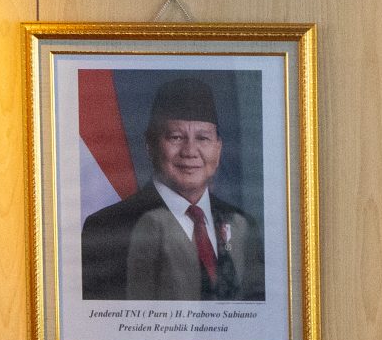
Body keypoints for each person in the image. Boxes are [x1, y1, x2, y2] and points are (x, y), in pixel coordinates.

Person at [79, 77, 262, 303]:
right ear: (150, 145)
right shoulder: (107, 229)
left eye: (203, 138)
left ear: (218, 149)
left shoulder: (243, 225)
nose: (190, 151)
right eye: (176, 137)